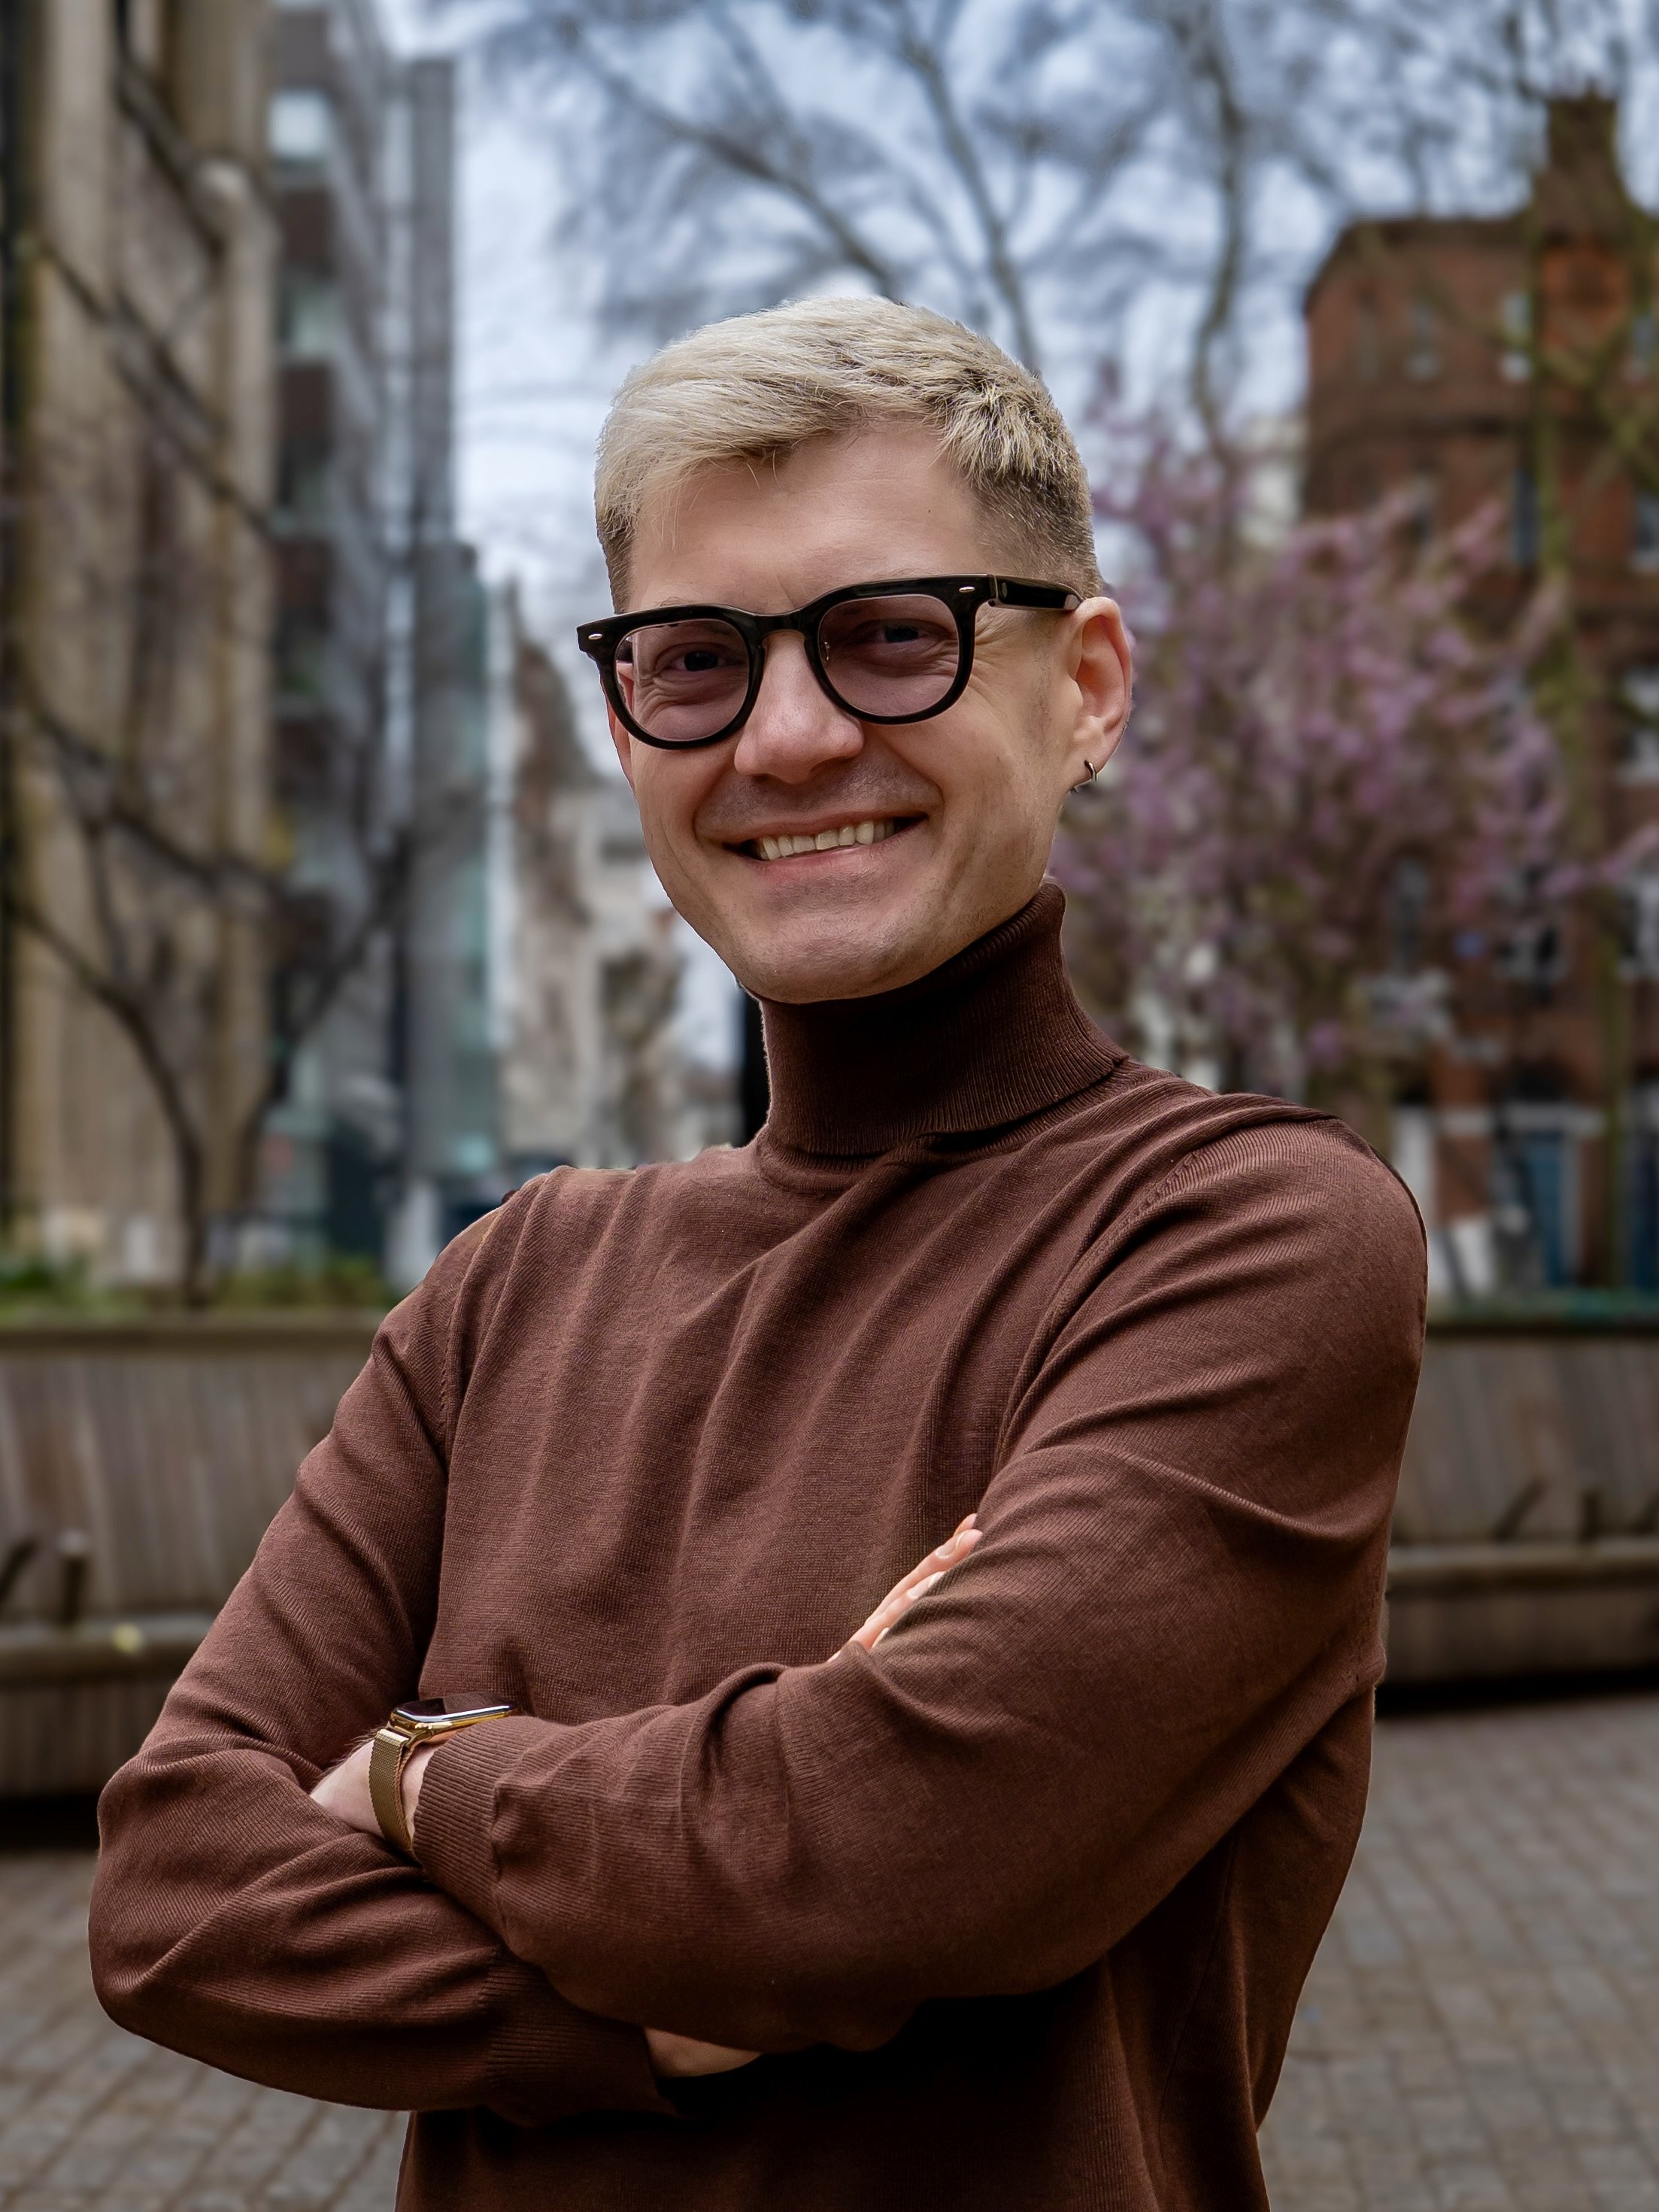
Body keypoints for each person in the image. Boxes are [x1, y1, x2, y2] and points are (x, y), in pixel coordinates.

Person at [90, 297, 1425, 2211]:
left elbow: (879, 1847)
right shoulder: (509, 1287)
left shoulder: (1244, 1237)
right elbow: (168, 1895)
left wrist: (416, 1775)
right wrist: (629, 2012)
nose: (788, 738)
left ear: (1090, 685)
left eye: (893, 636)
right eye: (696, 660)